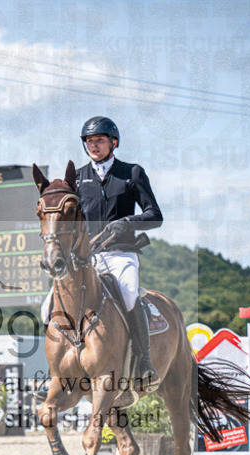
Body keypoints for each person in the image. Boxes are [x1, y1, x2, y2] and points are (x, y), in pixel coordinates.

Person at [43, 116, 163, 389]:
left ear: (114, 142)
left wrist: (128, 222)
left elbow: (155, 215)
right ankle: (56, 371)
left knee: (130, 293)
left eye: (99, 140)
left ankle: (144, 361)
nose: (94, 145)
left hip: (121, 254)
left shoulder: (131, 173)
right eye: (89, 141)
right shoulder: (79, 177)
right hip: (87, 257)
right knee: (46, 307)